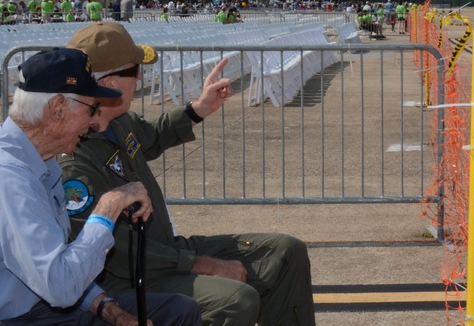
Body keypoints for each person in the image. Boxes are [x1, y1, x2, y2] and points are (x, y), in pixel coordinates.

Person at [0, 47, 201, 326]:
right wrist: (109, 206)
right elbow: (61, 285)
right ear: (58, 109)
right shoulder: (4, 173)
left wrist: (108, 309)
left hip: (38, 308)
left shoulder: (37, 158)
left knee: (178, 311)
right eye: (91, 108)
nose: (93, 121)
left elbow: (59, 267)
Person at [60, 22, 316, 326]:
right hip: (129, 275)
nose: (140, 77)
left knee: (286, 253)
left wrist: (198, 109)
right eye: (133, 71)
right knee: (235, 301)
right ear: (110, 83)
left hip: (162, 252)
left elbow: (151, 135)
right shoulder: (75, 162)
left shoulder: (119, 122)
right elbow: (117, 252)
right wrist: (201, 264)